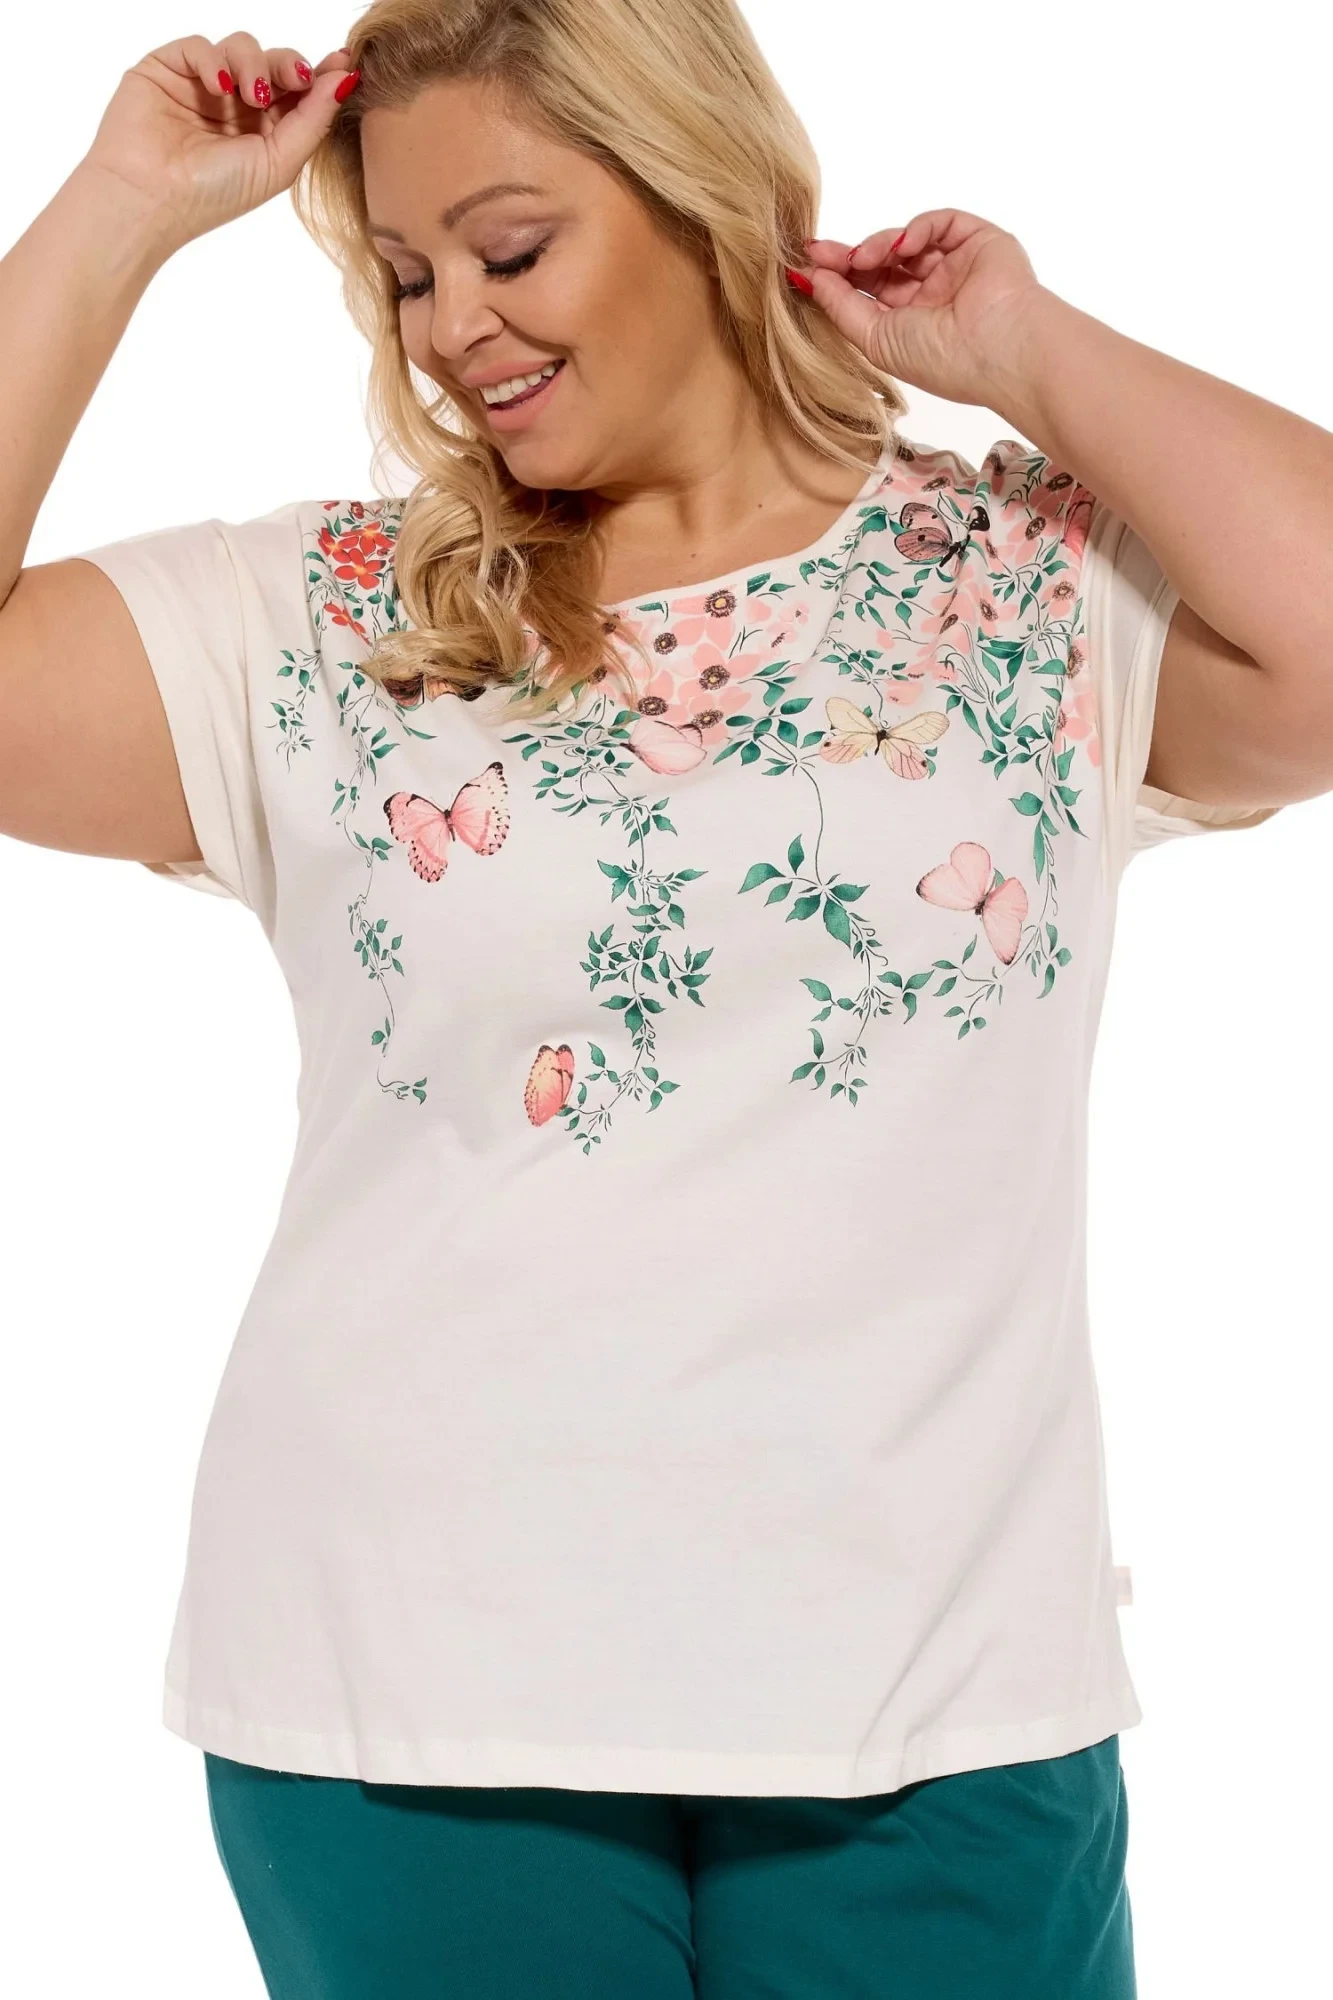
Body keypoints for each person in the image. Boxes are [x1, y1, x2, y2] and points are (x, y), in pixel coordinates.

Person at [3, 2, 1328, 1994]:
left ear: (699, 196)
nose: (453, 327)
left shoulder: (1031, 588)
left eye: (509, 248)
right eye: (408, 274)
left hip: (940, 1706)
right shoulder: (331, 620)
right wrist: (118, 206)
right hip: (418, 1716)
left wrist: (1025, 346)